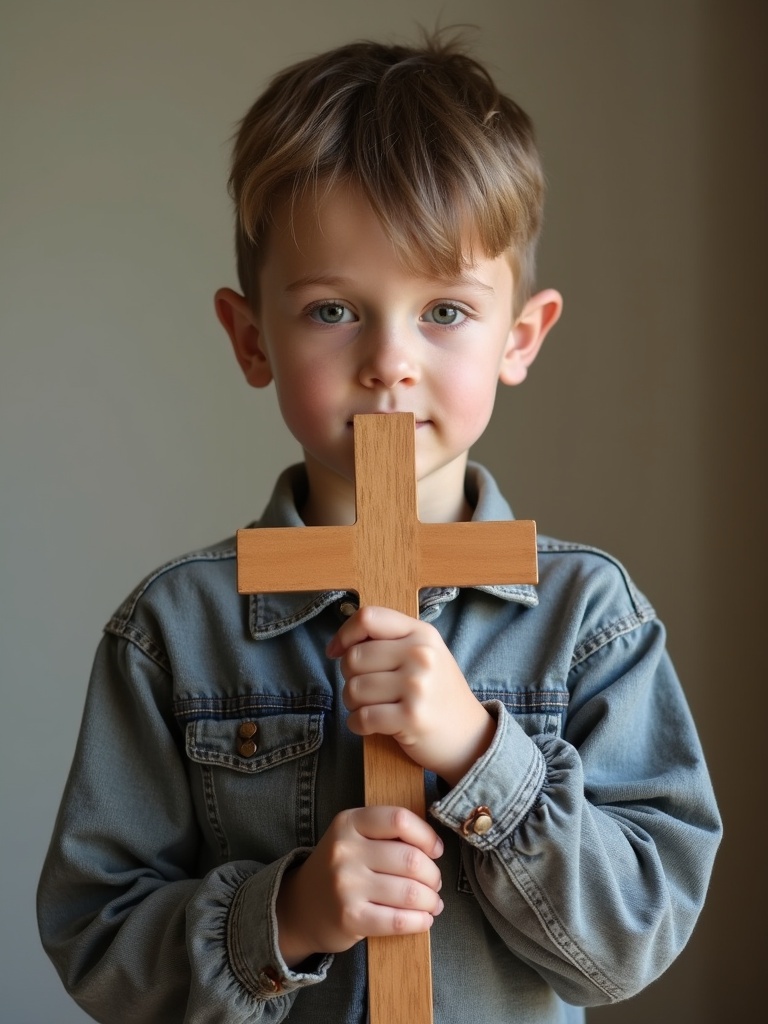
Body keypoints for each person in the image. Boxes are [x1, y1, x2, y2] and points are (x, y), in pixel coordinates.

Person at [37, 32, 722, 1024]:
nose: (390, 362)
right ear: (249, 337)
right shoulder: (173, 631)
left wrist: (483, 751)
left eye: (444, 308)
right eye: (331, 311)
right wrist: (289, 915)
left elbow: (632, 938)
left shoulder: (590, 616)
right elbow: (97, 938)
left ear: (519, 338)